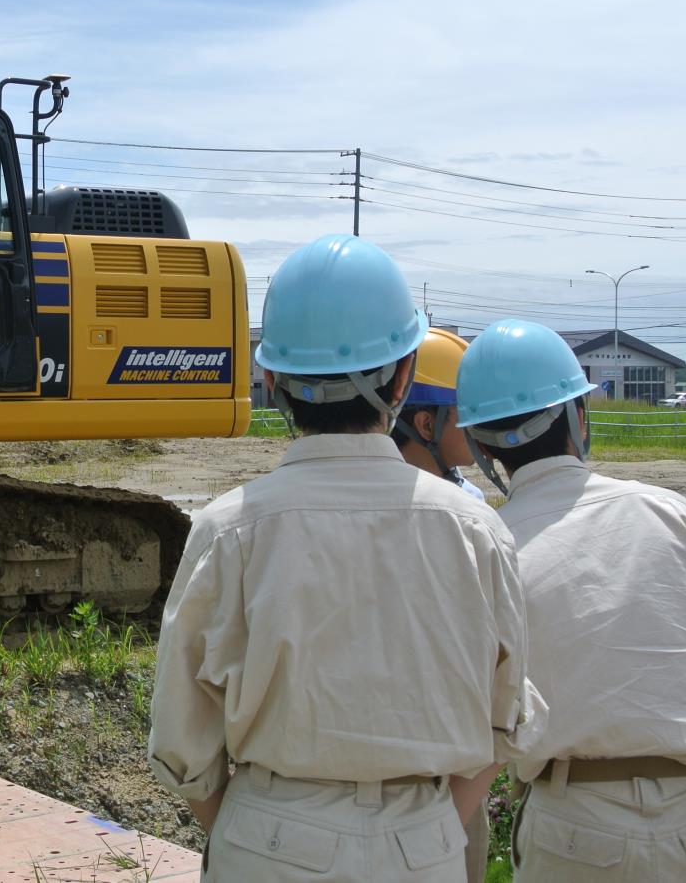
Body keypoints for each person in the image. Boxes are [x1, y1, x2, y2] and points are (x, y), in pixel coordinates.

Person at [148, 234, 545, 883]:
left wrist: (261, 833)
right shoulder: (476, 530)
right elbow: (506, 723)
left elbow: (180, 741)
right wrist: (437, 829)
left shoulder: (228, 529)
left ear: (271, 379)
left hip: (268, 836)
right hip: (424, 844)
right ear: (404, 374)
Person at [455, 318, 686, 881]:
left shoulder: (489, 542)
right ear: (577, 416)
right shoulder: (668, 510)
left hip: (573, 821)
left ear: (479, 443)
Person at [391, 325, 489, 882]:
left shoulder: (470, 504)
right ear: (426, 423)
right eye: (463, 413)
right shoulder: (455, 518)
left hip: (453, 782)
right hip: (442, 781)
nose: (475, 427)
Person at [393, 327, 486, 501]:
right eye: (469, 413)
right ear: (427, 424)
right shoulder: (467, 510)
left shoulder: (471, 497)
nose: (480, 426)